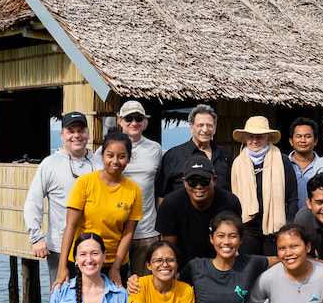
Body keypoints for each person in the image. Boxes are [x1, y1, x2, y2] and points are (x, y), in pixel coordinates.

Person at [23, 111, 103, 289]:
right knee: (61, 299)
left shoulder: (100, 163)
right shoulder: (50, 164)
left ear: (88, 134)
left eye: (81, 130)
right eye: (70, 131)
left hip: (96, 248)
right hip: (60, 249)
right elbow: (33, 202)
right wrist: (36, 238)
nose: (76, 135)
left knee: (96, 299)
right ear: (62, 135)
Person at [55, 132, 143, 290]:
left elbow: (128, 233)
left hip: (114, 262)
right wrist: (62, 267)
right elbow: (70, 226)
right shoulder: (84, 183)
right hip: (83, 261)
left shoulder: (134, 190)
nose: (115, 161)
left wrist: (116, 267)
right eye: (110, 155)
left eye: (121, 156)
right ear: (102, 156)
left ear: (129, 159)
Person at [156, 156, 242, 270]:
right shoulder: (171, 203)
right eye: (192, 182)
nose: (199, 186)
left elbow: (233, 241)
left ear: (214, 180)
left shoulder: (230, 202)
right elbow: (169, 248)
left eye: (204, 181)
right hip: (183, 266)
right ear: (184, 182)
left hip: (220, 264)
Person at [230, 116, 298, 256]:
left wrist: (289, 229)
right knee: (249, 268)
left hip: (276, 228)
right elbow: (233, 201)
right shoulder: (237, 163)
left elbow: (292, 198)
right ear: (245, 138)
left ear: (268, 138)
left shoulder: (281, 160)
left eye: (259, 137)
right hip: (248, 228)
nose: (254, 141)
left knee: (274, 268)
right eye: (250, 137)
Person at [114, 100, 163, 277]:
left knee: (143, 286)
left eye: (138, 118)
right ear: (120, 121)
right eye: (129, 119)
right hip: (116, 231)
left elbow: (158, 189)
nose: (134, 123)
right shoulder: (105, 150)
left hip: (147, 231)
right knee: (115, 284)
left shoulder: (155, 149)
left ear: (145, 121)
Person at [154, 104, 233, 200]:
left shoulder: (225, 155)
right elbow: (162, 195)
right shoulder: (173, 156)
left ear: (215, 128)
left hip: (221, 213)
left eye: (209, 125)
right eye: (200, 125)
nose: (205, 130)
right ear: (191, 127)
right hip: (183, 214)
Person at [287, 117, 322, 191]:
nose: (303, 140)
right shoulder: (283, 164)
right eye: (298, 136)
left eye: (307, 136)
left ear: (315, 141)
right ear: (291, 141)